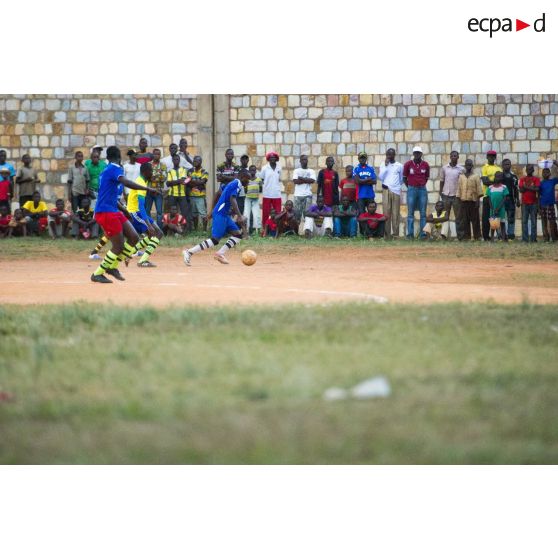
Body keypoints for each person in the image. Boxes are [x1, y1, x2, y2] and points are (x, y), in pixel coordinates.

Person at [90, 145, 159, 283]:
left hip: (114, 210)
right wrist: (147, 188)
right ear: (118, 157)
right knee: (118, 246)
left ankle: (113, 267)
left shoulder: (108, 171)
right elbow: (126, 182)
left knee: (134, 237)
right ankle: (97, 273)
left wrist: (124, 210)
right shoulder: (114, 169)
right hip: (105, 212)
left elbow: (110, 196)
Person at [182, 169, 250, 266]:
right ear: (243, 177)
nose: (248, 182)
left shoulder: (233, 183)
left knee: (238, 235)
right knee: (215, 240)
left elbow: (219, 194)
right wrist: (239, 216)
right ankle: (189, 252)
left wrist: (213, 211)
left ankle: (220, 254)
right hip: (220, 214)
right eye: (247, 179)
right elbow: (232, 199)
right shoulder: (237, 184)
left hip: (224, 214)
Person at [128, 162, 164, 267]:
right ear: (145, 172)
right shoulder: (141, 183)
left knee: (157, 233)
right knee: (157, 233)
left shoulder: (141, 181)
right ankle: (141, 260)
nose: (152, 173)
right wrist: (148, 224)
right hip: (135, 212)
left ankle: (130, 254)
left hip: (137, 212)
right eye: (151, 171)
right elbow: (141, 206)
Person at [403, 146, 430, 239]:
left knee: (423, 213)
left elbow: (426, 178)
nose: (417, 154)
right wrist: (411, 186)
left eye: (419, 153)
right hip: (411, 189)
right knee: (410, 213)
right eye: (415, 153)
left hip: (422, 189)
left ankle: (423, 234)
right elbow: (404, 178)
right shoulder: (408, 164)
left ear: (421, 154)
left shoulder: (425, 164)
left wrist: (420, 185)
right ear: (413, 154)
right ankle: (410, 234)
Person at [379, 148, 404, 239]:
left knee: (395, 213)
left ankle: (396, 235)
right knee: (386, 213)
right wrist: (386, 166)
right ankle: (387, 235)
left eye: (391, 154)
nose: (389, 156)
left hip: (396, 191)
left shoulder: (399, 165)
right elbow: (381, 177)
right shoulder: (383, 165)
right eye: (388, 154)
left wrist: (396, 187)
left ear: (394, 155)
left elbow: (401, 179)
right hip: (386, 191)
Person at [439, 150, 464, 240]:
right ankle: (444, 236)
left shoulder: (461, 169)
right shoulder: (444, 168)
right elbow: (442, 181)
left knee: (459, 217)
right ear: (450, 157)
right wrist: (440, 192)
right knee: (445, 216)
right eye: (452, 156)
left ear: (458, 157)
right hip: (446, 195)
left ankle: (460, 237)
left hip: (456, 196)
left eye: (455, 156)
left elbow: (463, 182)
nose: (454, 157)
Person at [456, 159, 483, 241]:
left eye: (470, 165)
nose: (468, 166)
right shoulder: (461, 177)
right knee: (465, 220)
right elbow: (459, 189)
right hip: (464, 201)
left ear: (472, 166)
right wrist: (459, 201)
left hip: (473, 201)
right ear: (465, 166)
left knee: (475, 220)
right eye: (467, 165)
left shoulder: (476, 176)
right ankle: (467, 237)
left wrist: (478, 201)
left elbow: (479, 189)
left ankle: (477, 236)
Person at [481, 150, 503, 241]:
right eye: (489, 156)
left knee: (496, 216)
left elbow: (501, 181)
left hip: (497, 195)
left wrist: (493, 182)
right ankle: (486, 236)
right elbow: (485, 182)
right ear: (487, 157)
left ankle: (498, 236)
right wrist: (496, 182)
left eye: (493, 156)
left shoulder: (499, 168)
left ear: (495, 157)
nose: (491, 158)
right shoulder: (485, 167)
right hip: (487, 195)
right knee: (486, 217)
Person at [259, 151, 283, 233]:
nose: (273, 159)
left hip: (277, 194)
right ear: (268, 159)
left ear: (276, 159)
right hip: (267, 194)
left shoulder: (279, 168)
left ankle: (277, 230)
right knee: (265, 213)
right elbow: (261, 179)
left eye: (274, 158)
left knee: (278, 213)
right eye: (271, 158)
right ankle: (264, 231)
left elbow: (279, 179)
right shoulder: (265, 168)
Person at [144, 147, 166, 229]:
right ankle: (150, 228)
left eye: (158, 154)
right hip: (149, 191)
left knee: (159, 212)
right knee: (147, 210)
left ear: (160, 155)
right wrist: (157, 176)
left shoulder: (163, 165)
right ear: (153, 155)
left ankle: (159, 229)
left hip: (158, 191)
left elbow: (164, 178)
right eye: (155, 154)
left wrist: (153, 177)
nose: (156, 155)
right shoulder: (148, 164)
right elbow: (146, 176)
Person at [519, 164, 540, 243]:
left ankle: (533, 239)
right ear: (526, 170)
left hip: (534, 203)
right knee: (524, 221)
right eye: (528, 169)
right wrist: (532, 188)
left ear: (533, 170)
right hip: (524, 203)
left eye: (531, 169)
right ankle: (525, 239)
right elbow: (521, 190)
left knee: (533, 221)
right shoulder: (522, 179)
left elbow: (537, 189)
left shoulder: (536, 179)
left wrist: (526, 187)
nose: (529, 170)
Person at [166, 153, 190, 221]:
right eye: (175, 159)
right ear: (172, 160)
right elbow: (168, 183)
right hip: (172, 194)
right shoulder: (170, 171)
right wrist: (178, 181)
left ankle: (185, 228)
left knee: (184, 212)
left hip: (182, 194)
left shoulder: (183, 169)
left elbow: (183, 181)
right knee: (172, 212)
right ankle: (173, 228)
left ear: (179, 160)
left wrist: (173, 182)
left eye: (177, 159)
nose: (176, 160)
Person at [187, 155, 209, 231]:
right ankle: (195, 230)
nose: (194, 162)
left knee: (203, 214)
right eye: (194, 161)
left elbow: (203, 181)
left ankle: (204, 230)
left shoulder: (204, 171)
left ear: (200, 162)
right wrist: (197, 182)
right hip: (192, 195)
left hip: (200, 196)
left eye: (196, 161)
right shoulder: (190, 171)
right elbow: (188, 183)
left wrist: (192, 182)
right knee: (194, 214)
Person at [292, 154, 316, 221]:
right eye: (303, 159)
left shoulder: (311, 171)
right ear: (300, 161)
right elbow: (295, 181)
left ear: (307, 161)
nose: (304, 161)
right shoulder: (296, 171)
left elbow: (312, 180)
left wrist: (301, 178)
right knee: (297, 215)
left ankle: (307, 230)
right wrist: (307, 180)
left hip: (308, 195)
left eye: (305, 159)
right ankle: (296, 231)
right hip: (298, 195)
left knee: (308, 216)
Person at [486, 171, 509, 241]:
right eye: (497, 176)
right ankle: (492, 238)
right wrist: (492, 208)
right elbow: (489, 199)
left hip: (501, 208)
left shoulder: (504, 187)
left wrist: (498, 208)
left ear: (502, 178)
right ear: (494, 177)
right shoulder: (490, 187)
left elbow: (505, 198)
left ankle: (503, 237)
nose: (498, 178)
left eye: (500, 177)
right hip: (492, 208)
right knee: (493, 224)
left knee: (502, 223)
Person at [501, 159, 520, 240]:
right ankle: (502, 235)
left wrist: (518, 199)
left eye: (508, 164)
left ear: (510, 165)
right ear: (502, 165)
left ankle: (511, 235)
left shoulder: (514, 177)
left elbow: (516, 189)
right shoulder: (500, 176)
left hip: (511, 200)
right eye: (505, 164)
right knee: (502, 218)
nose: (507, 166)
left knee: (511, 218)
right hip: (501, 201)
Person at [353, 152, 376, 216]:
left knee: (371, 213)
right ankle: (362, 226)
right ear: (358, 159)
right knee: (361, 214)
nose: (362, 159)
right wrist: (368, 179)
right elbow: (357, 181)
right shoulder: (356, 168)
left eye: (364, 158)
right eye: (361, 158)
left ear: (366, 159)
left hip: (370, 195)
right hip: (360, 195)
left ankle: (370, 226)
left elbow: (374, 181)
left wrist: (361, 180)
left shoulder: (370, 168)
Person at [539, 166, 558, 242]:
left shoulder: (552, 181)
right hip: (543, 204)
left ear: (550, 173)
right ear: (542, 174)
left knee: (552, 221)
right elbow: (538, 195)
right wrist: (539, 206)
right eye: (544, 172)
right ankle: (546, 238)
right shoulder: (541, 183)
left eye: (547, 172)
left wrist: (556, 165)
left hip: (550, 205)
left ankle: (554, 237)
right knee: (544, 221)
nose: (545, 174)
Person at [243, 164, 262, 234]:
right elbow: (245, 191)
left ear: (256, 171)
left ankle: (257, 230)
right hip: (248, 199)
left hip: (256, 199)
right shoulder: (247, 180)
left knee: (256, 215)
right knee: (246, 214)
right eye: (251, 170)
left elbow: (260, 189)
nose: (252, 172)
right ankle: (246, 230)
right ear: (249, 171)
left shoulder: (259, 180)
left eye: (254, 170)